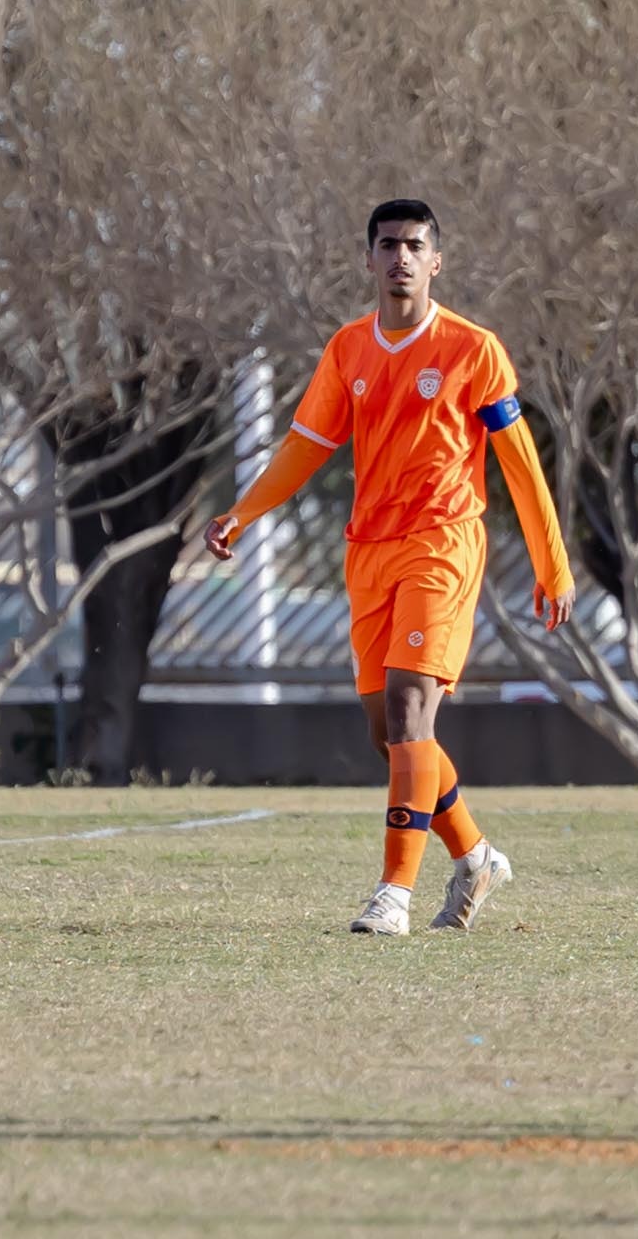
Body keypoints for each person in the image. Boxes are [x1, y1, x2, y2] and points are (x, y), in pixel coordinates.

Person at [207, 197, 572, 933]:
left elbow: (519, 463)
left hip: (442, 544)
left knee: (409, 709)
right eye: (387, 245)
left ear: (436, 260)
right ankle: (474, 856)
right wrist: (242, 512)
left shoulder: (472, 349)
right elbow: (306, 446)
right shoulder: (348, 349)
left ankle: (392, 895)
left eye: (413, 245)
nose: (400, 257)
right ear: (368, 258)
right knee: (391, 736)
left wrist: (551, 563)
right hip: (368, 550)